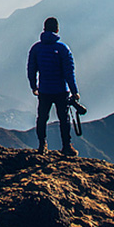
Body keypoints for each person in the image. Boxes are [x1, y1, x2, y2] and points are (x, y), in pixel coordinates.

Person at [27, 16, 79, 156]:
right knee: (64, 119)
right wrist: (74, 91)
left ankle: (42, 145)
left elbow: (31, 69)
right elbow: (69, 72)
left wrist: (34, 87)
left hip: (44, 90)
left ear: (44, 29)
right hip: (61, 90)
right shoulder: (63, 48)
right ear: (57, 30)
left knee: (42, 117)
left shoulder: (36, 48)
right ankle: (66, 146)